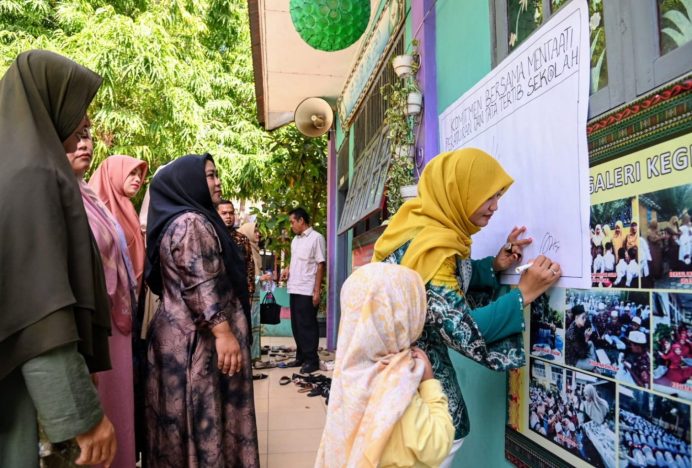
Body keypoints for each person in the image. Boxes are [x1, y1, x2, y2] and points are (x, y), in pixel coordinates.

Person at [371, 149, 561, 464]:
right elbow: (462, 328)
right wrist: (523, 294)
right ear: (461, 191)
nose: (496, 206)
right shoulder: (436, 247)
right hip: (419, 392)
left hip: (391, 379)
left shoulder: (415, 227)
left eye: (498, 196)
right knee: (442, 443)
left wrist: (493, 265)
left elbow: (432, 287)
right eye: (488, 195)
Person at [0, 50, 115, 467]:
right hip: (25, 391)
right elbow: (36, 309)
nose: (84, 122)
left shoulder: (22, 167)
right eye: (77, 107)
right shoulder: (31, 176)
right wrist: (81, 418)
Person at [144, 154, 258, 467]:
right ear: (188, 182)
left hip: (183, 338)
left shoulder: (182, 220)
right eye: (209, 175)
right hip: (199, 342)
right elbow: (200, 281)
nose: (217, 181)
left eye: (216, 174)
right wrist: (223, 332)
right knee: (203, 419)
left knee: (186, 426)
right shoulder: (191, 223)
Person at [315, 263, 454, 467]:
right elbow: (438, 444)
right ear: (398, 316)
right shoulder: (397, 386)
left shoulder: (348, 371)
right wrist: (429, 384)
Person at [67, 133, 138, 468]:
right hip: (95, 320)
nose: (85, 144)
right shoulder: (64, 197)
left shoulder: (90, 198)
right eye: (75, 135)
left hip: (117, 321)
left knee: (118, 407)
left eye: (89, 135)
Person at [89, 155, 149, 293]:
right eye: (132, 173)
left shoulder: (127, 209)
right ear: (114, 173)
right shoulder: (95, 210)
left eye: (140, 175)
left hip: (132, 294)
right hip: (106, 294)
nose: (138, 179)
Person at [280, 207, 326, 374]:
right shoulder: (295, 240)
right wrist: (287, 269)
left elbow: (321, 264)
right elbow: (296, 260)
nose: (291, 225)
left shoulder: (316, 238)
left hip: (307, 289)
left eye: (293, 222)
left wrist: (316, 291)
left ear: (301, 220)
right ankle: (301, 357)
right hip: (294, 286)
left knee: (307, 325)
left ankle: (312, 360)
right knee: (297, 325)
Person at [238, 222, 272, 365]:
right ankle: (247, 359)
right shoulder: (241, 248)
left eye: (258, 231)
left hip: (255, 296)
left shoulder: (254, 250)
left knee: (254, 327)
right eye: (255, 231)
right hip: (246, 296)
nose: (258, 234)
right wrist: (260, 278)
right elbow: (241, 274)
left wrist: (262, 279)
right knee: (247, 326)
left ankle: (254, 358)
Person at [565, 306, 597, 371]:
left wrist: (586, 338)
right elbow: (582, 354)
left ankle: (591, 360)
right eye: (583, 317)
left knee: (591, 343)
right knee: (592, 364)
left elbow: (582, 343)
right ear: (576, 317)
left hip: (580, 351)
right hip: (573, 360)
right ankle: (592, 361)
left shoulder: (579, 325)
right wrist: (586, 338)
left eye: (585, 317)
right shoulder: (571, 334)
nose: (585, 319)